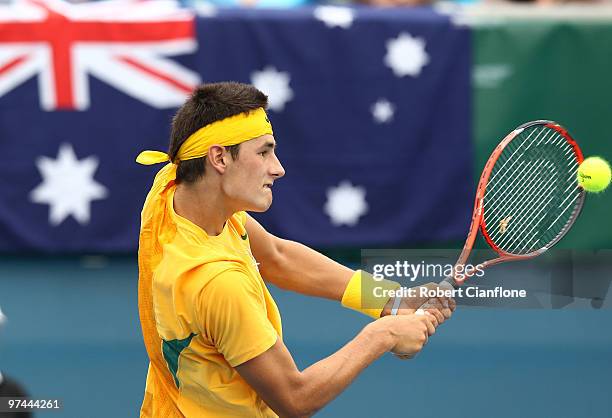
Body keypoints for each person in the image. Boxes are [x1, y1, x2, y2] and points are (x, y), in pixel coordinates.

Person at [136, 81, 455, 417]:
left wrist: (389, 299)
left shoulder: (172, 193)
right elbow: (295, 398)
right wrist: (382, 335)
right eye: (263, 152)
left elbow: (275, 256)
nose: (278, 167)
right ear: (218, 158)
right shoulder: (218, 284)